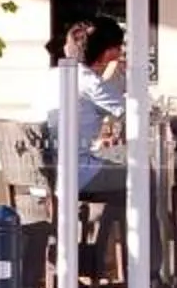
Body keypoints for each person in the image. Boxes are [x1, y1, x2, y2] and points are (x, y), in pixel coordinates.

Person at [44, 18, 127, 199]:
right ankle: (150, 228)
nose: (121, 52)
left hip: (42, 179)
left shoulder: (52, 76)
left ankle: (101, 227)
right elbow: (133, 113)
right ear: (106, 51)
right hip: (76, 176)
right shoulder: (90, 81)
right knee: (142, 175)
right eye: (118, 47)